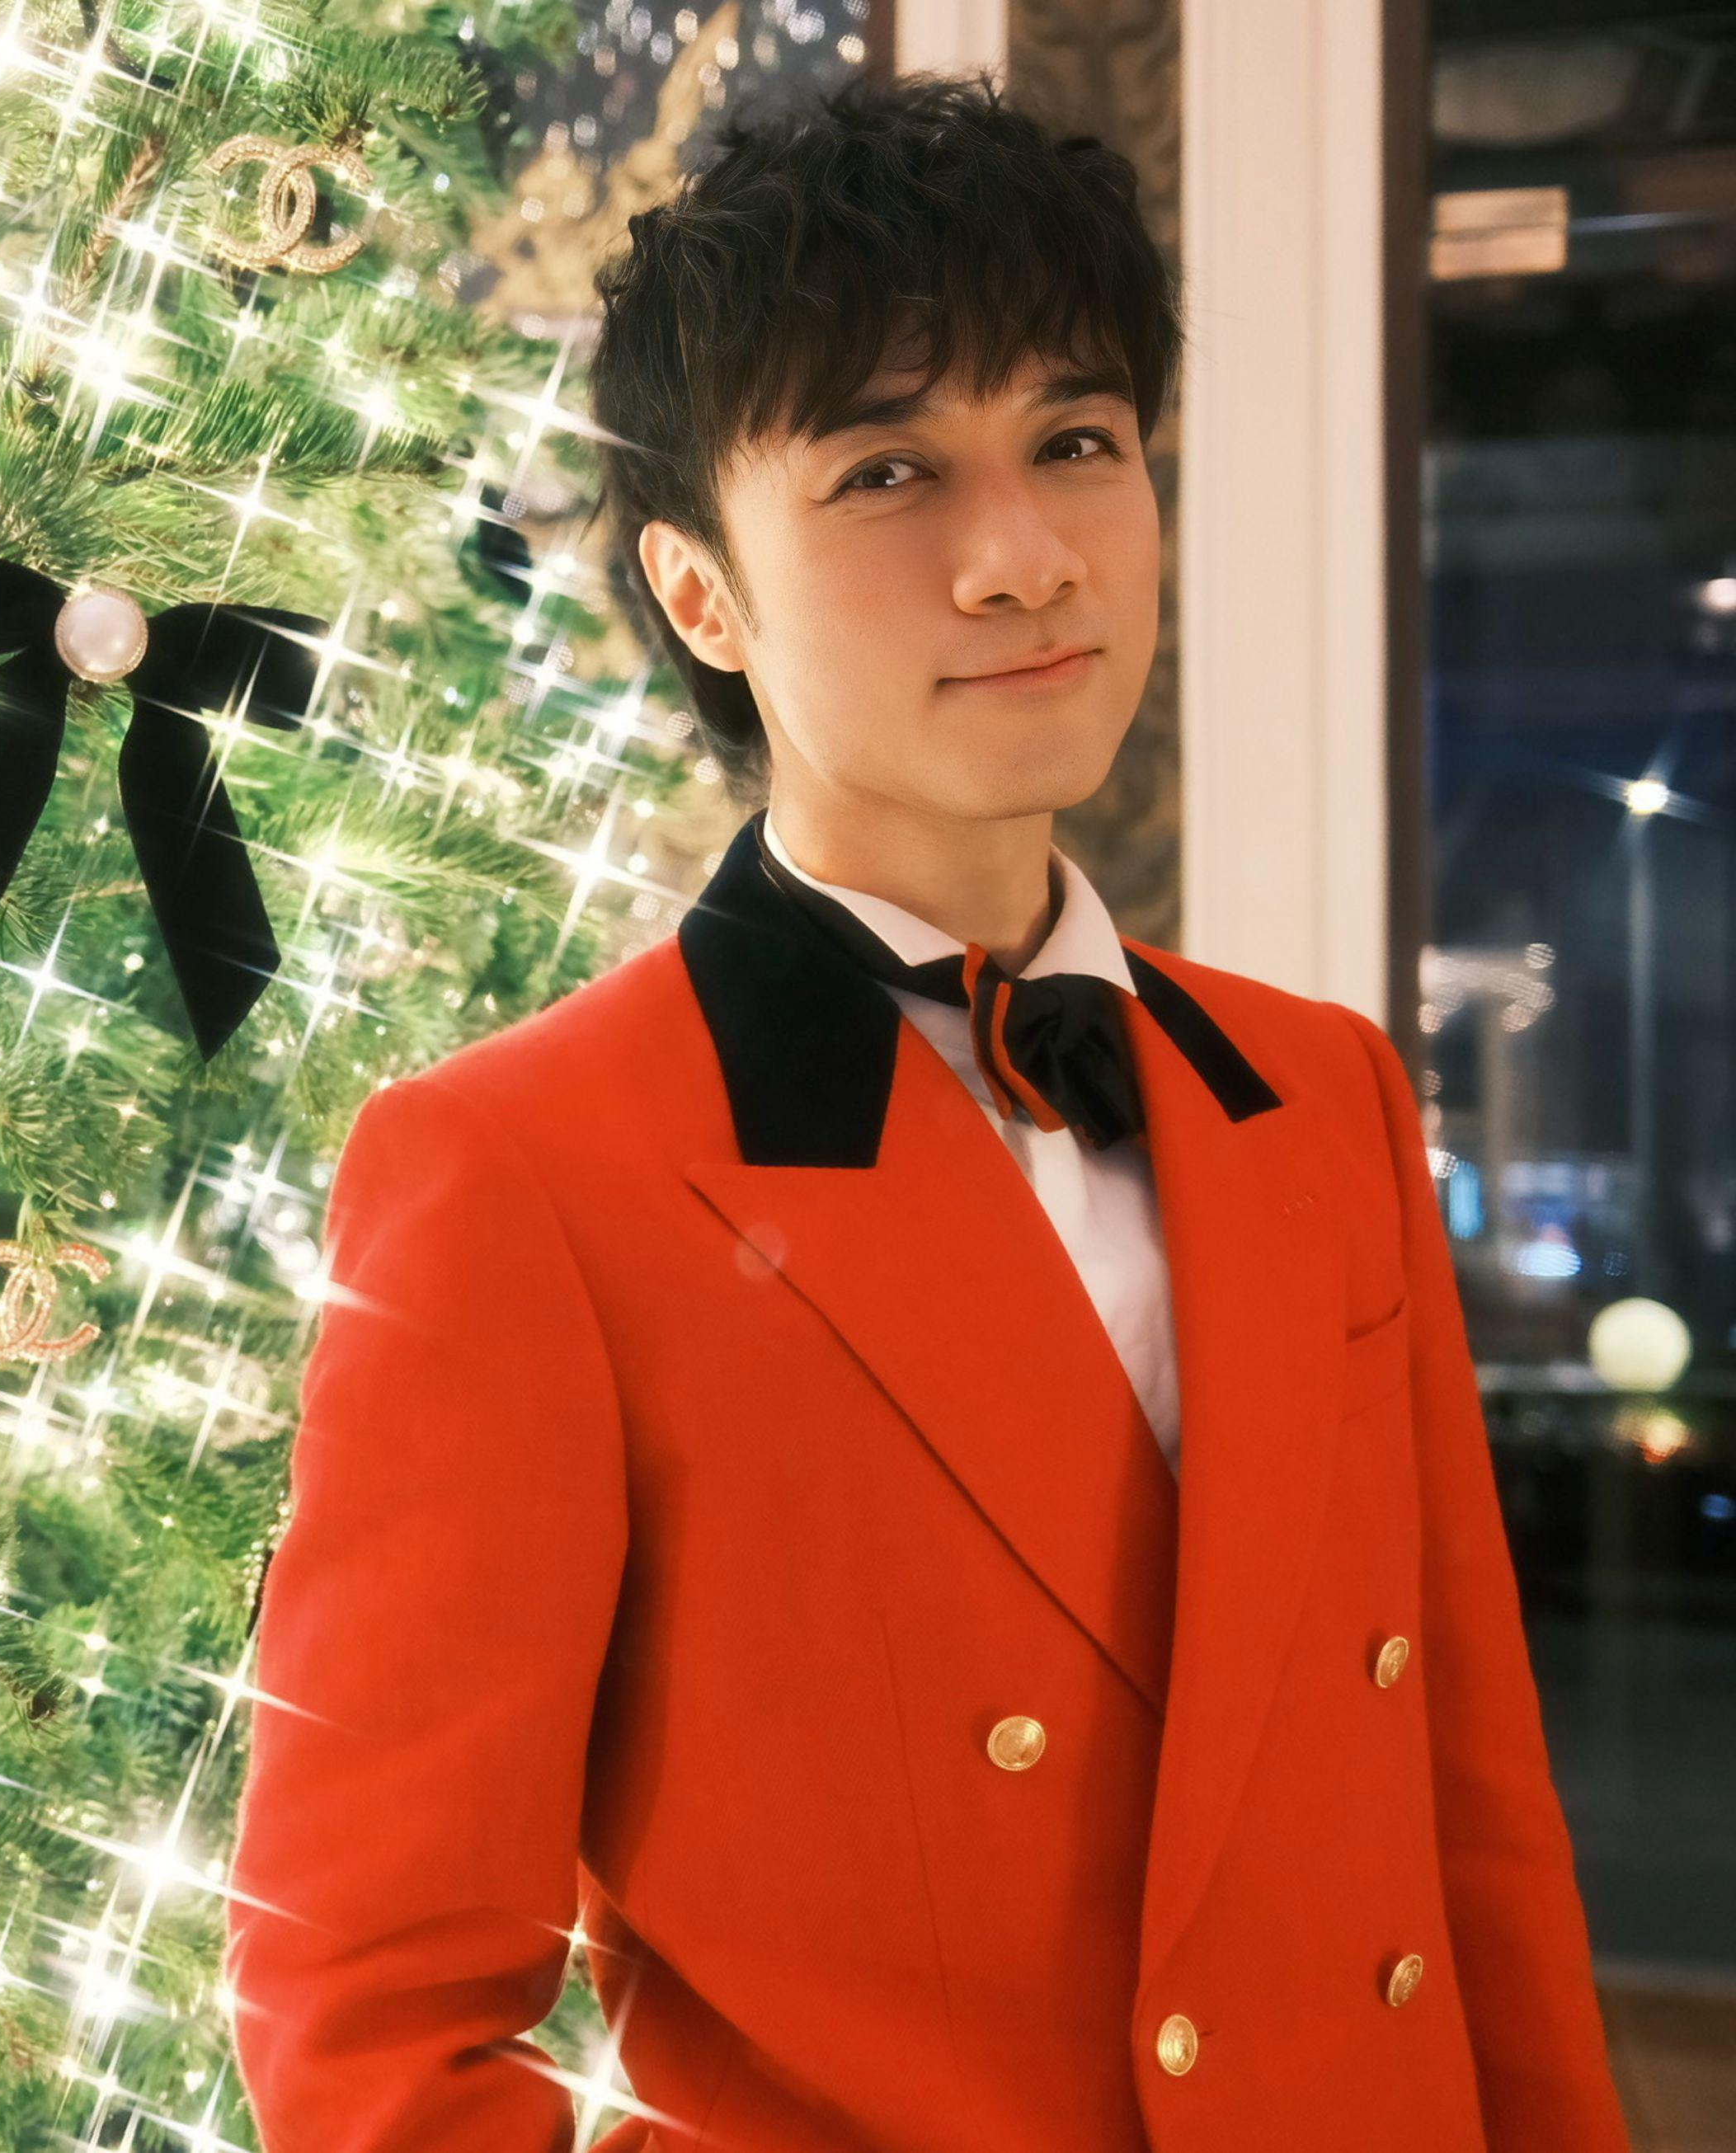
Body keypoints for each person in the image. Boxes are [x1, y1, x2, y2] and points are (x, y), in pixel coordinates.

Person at [221, 68, 1634, 2153]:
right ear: (700, 591)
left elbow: (1476, 1838)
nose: (1024, 559)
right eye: (888, 472)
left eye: (1077, 442)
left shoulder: (1317, 1088)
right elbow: (372, 2020)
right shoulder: (525, 1173)